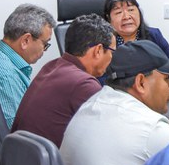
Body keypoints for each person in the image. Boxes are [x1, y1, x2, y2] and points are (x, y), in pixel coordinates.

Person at [12, 14, 115, 147]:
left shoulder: (52, 66)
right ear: (98, 50)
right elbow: (111, 133)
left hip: (21, 161)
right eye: (112, 51)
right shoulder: (84, 84)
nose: (112, 57)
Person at [0, 4, 56, 127]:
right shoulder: (5, 77)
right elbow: (16, 133)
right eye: (45, 44)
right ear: (25, 40)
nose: (44, 50)